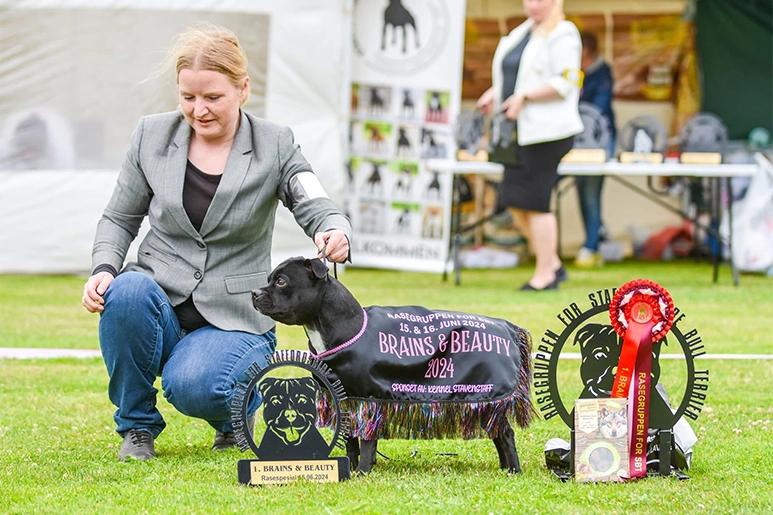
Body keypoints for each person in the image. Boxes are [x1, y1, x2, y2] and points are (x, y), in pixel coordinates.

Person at [81, 24, 351, 462]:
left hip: (236, 317)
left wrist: (334, 229)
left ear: (243, 89)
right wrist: (103, 268)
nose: (199, 109)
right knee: (125, 293)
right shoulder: (150, 136)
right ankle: (136, 428)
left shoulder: (275, 144)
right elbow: (119, 217)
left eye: (213, 98)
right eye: (188, 97)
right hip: (159, 298)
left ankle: (232, 413)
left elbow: (315, 201)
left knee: (194, 385)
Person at [478, 0, 583, 290]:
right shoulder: (520, 33)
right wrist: (494, 94)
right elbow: (516, 76)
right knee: (513, 198)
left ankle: (545, 275)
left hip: (547, 133)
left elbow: (566, 82)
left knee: (536, 202)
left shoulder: (563, 33)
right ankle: (553, 263)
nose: (534, 5)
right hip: (518, 133)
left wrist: (525, 97)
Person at [574, 31, 616, 268]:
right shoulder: (576, 74)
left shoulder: (602, 75)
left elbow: (596, 110)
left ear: (588, 52)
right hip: (576, 140)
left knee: (590, 190)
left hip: (598, 140)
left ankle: (591, 246)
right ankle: (593, 241)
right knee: (581, 190)